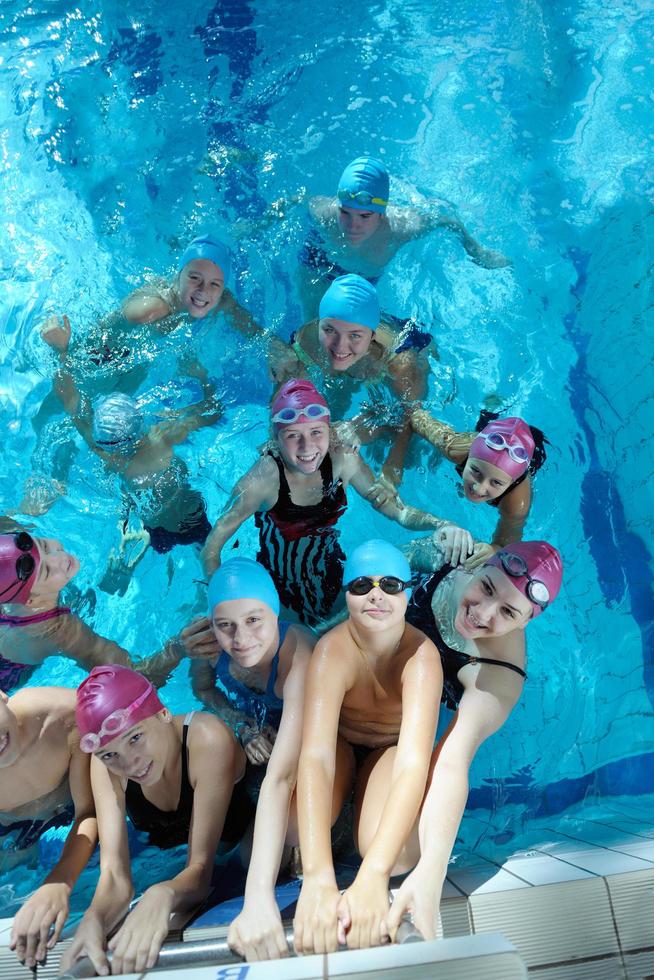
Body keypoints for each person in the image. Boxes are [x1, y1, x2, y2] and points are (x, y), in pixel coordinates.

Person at [385, 537, 563, 940]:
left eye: (507, 612)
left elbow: (451, 761)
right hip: (383, 648)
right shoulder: (453, 557)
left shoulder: (500, 673)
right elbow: (388, 568)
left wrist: (432, 873)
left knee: (401, 855)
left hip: (418, 697)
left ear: (526, 622)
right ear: (479, 568)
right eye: (486, 588)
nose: (482, 614)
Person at [201, 379, 473, 627]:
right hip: (279, 584)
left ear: (330, 431)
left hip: (330, 568)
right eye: (293, 435)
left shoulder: (344, 460)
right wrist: (222, 606)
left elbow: (393, 508)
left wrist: (441, 524)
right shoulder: (260, 482)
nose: (307, 448)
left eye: (316, 433)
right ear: (276, 439)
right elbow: (211, 550)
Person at [293, 539, 442, 955]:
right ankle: (334, 836)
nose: (376, 594)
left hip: (389, 750)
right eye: (361, 585)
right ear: (346, 596)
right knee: (293, 834)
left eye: (390, 584)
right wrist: (318, 876)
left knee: (392, 858)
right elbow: (316, 758)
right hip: (341, 746)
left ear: (408, 594)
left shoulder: (422, 657)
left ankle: (357, 829)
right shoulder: (332, 651)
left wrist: (374, 875)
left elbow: (413, 764)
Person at [60, 664, 249, 977]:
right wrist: (94, 917)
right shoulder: (105, 766)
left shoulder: (208, 741)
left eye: (135, 737)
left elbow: (200, 870)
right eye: (109, 754)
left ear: (162, 713)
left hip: (233, 835)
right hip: (164, 840)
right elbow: (115, 876)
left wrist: (162, 893)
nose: (129, 763)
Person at [187, 558, 315, 961]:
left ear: (274, 612)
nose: (240, 638)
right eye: (225, 625)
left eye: (254, 620)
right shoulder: (209, 649)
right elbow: (205, 692)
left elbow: (290, 767)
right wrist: (241, 726)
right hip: (255, 726)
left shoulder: (300, 653)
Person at [40, 314, 222, 565]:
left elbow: (70, 401)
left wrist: (61, 351)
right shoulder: (162, 439)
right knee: (204, 543)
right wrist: (201, 376)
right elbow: (213, 411)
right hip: (191, 513)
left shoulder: (107, 455)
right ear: (139, 421)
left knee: (160, 544)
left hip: (154, 525)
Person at [269, 275, 432, 486]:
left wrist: (394, 463)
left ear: (371, 336)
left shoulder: (399, 362)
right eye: (329, 330)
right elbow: (280, 409)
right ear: (319, 325)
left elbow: (413, 411)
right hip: (353, 357)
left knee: (410, 453)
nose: (339, 346)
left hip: (402, 350)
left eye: (354, 336)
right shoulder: (306, 342)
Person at [298, 155, 511, 315]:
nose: (352, 225)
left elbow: (447, 219)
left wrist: (477, 250)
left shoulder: (402, 229)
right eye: (345, 213)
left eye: (364, 216)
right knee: (314, 325)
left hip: (365, 278)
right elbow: (299, 200)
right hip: (320, 264)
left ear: (381, 215)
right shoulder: (325, 213)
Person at [0, 530, 192, 690]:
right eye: (47, 571)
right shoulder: (58, 631)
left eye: (44, 545)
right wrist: (177, 649)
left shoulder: (11, 584)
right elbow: (131, 678)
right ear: (31, 600)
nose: (59, 557)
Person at [1, 686, 97, 971]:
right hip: (8, 823)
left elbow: (89, 812)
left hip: (66, 806)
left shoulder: (65, 717)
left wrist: (60, 881)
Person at [410, 411, 546, 566]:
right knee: (482, 424)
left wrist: (493, 550)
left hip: (530, 456)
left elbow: (507, 547)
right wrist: (392, 468)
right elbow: (416, 417)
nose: (479, 489)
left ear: (511, 483)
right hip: (477, 443)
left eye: (496, 483)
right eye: (475, 471)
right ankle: (490, 409)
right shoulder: (456, 448)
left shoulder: (516, 504)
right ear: (468, 459)